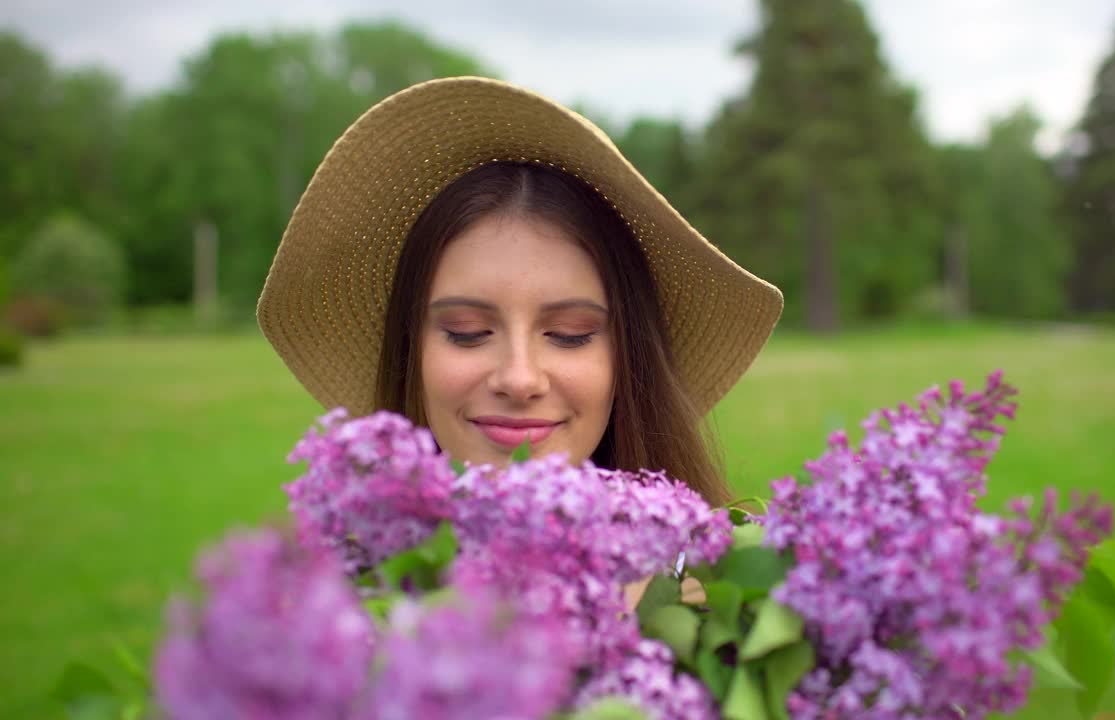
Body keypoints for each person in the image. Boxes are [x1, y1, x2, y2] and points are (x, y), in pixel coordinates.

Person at [258, 75, 782, 515]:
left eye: (569, 335)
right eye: (466, 333)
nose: (519, 378)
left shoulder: (716, 605)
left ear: (627, 356)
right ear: (409, 350)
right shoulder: (335, 614)